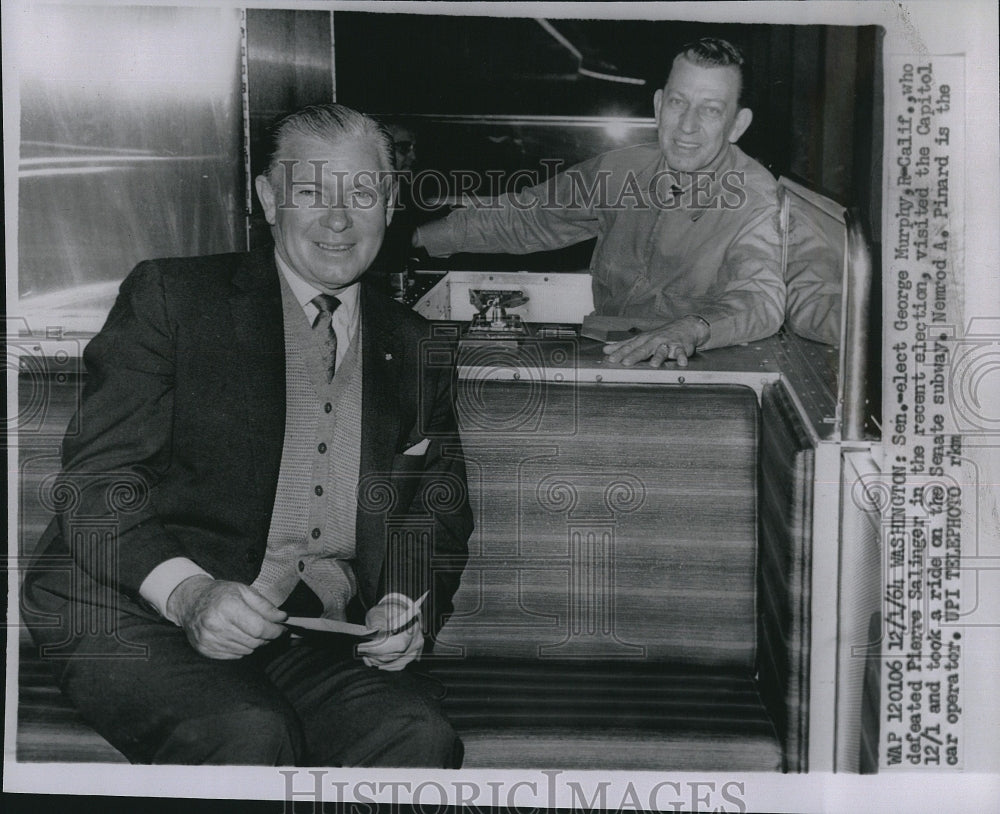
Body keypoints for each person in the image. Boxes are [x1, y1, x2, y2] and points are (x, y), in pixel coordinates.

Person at [22, 104, 473, 767]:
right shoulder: (174, 300)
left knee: (417, 736)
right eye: (312, 192)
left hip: (306, 633)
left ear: (391, 201)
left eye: (363, 192)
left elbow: (436, 510)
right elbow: (98, 485)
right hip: (130, 610)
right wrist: (190, 594)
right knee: (248, 732)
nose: (339, 218)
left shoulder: (414, 344)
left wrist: (406, 602)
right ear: (268, 198)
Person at [413, 37, 785, 367]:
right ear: (658, 106)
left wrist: (693, 329)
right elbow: (526, 218)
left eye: (710, 110)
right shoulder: (620, 169)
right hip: (605, 353)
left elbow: (760, 299)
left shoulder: (755, 195)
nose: (687, 126)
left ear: (737, 125)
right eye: (678, 102)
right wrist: (418, 238)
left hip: (698, 365)